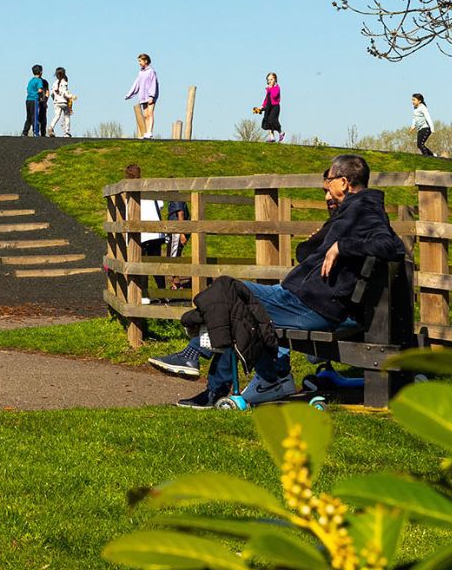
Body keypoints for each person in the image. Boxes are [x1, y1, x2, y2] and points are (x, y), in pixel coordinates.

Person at [153, 154, 407, 407]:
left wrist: (342, 245)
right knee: (233, 303)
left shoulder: (364, 207)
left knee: (228, 290)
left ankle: (203, 354)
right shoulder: (354, 209)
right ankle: (221, 370)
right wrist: (320, 242)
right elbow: (311, 257)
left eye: (328, 182)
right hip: (307, 300)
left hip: (311, 306)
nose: (326, 190)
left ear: (344, 181)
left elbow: (392, 245)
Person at [125, 163, 166, 290]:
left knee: (141, 265)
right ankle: (163, 293)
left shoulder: (129, 191)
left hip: (141, 233)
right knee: (156, 264)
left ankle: (144, 294)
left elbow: (127, 212)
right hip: (156, 231)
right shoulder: (149, 187)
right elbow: (160, 204)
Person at [125, 53, 159, 139]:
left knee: (150, 114)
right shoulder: (141, 72)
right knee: (145, 115)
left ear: (145, 61)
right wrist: (130, 94)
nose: (139, 63)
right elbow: (136, 84)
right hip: (143, 96)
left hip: (150, 96)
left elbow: (153, 84)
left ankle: (149, 131)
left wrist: (151, 96)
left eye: (140, 61)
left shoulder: (151, 71)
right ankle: (146, 133)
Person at [253, 72, 284, 143]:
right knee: (268, 121)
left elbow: (274, 95)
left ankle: (281, 132)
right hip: (269, 107)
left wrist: (270, 89)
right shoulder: (268, 89)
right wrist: (262, 106)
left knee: (272, 120)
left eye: (271, 79)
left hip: (275, 107)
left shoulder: (277, 88)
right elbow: (266, 99)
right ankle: (272, 137)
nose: (269, 81)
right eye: (268, 80)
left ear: (275, 80)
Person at [49, 67, 74, 138]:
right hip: (63, 102)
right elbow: (65, 93)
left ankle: (51, 127)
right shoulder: (64, 83)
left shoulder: (54, 83)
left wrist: (55, 99)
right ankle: (67, 132)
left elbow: (52, 94)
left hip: (56, 102)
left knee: (57, 116)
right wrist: (71, 96)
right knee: (67, 116)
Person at [22, 65, 45, 137]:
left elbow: (27, 89)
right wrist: (41, 96)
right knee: (35, 116)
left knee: (29, 116)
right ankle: (35, 132)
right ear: (41, 72)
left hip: (28, 100)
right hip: (34, 100)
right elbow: (40, 90)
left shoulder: (31, 81)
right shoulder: (39, 80)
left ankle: (25, 132)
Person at [412, 93, 435, 157]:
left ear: (419, 101)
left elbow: (428, 118)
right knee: (419, 145)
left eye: (414, 100)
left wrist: (432, 128)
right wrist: (413, 126)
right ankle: (432, 155)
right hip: (420, 129)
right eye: (412, 100)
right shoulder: (415, 108)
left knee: (420, 144)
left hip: (426, 128)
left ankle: (426, 156)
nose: (412, 102)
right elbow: (414, 117)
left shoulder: (423, 108)